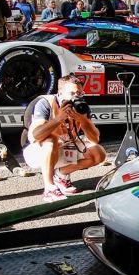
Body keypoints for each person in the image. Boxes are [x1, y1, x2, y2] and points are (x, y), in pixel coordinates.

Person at [23, 74, 107, 202]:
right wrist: (58, 119)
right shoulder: (46, 103)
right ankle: (49, 188)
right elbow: (36, 135)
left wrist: (83, 120)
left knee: (98, 153)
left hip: (66, 146)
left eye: (79, 93)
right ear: (60, 92)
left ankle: (61, 175)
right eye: (72, 93)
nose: (76, 97)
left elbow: (95, 139)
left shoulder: (81, 107)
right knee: (51, 140)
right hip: (38, 151)